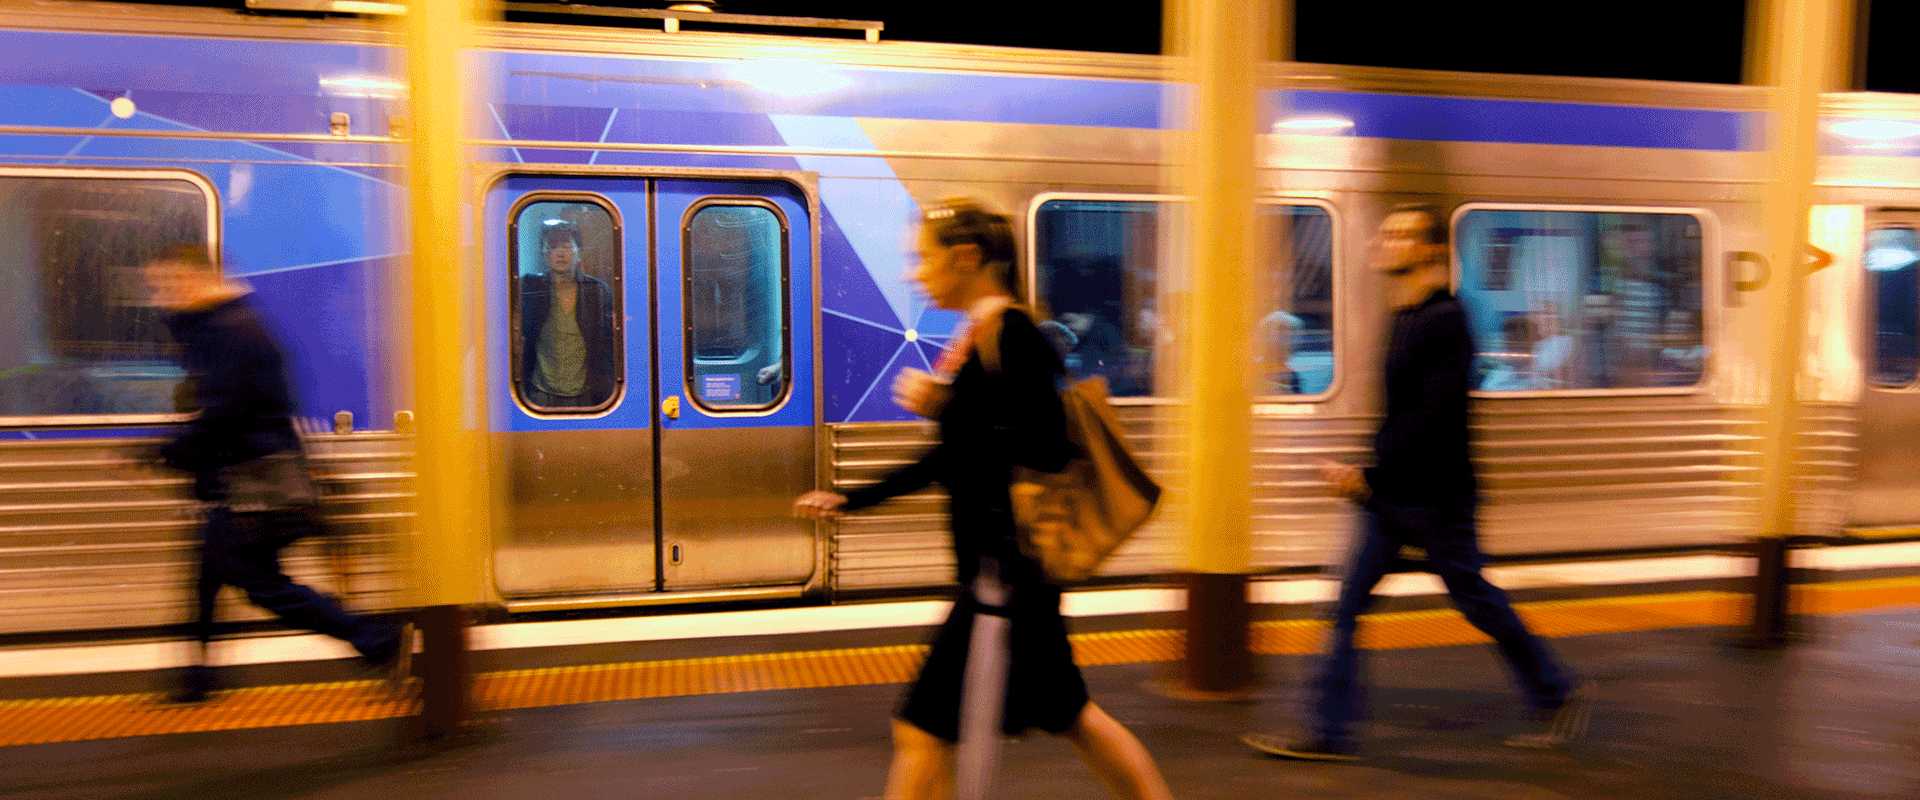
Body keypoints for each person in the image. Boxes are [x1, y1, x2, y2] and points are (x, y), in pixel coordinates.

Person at [793, 200, 1174, 800]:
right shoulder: (983, 337)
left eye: (925, 258)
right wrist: (851, 497)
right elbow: (951, 459)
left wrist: (947, 408)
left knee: (919, 728)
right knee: (1069, 715)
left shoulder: (1014, 335)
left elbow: (1046, 446)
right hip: (1007, 576)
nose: (915, 274)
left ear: (967, 258)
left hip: (1005, 579)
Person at [1242, 205, 1594, 761]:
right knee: (1347, 604)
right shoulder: (1404, 316)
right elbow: (1401, 416)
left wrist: (1367, 476)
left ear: (1429, 250)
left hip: (1438, 497)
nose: (1387, 243)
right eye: (1386, 233)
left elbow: (1433, 419)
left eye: (1402, 235)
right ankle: (1330, 732)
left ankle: (1555, 692)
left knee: (1475, 600)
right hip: (1394, 496)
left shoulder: (1446, 320)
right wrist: (1373, 478)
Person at [147, 245, 409, 703]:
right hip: (244, 479)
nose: (160, 297)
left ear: (194, 280)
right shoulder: (222, 328)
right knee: (208, 571)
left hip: (257, 484)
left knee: (261, 585)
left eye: (168, 285)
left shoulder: (236, 332)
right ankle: (198, 677)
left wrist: (170, 453)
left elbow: (225, 412)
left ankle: (378, 638)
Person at [519, 219, 617, 409]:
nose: (560, 253)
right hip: (539, 394)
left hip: (587, 393)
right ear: (544, 254)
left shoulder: (597, 291)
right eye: (553, 247)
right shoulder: (530, 288)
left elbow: (608, 345)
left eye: (567, 246)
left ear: (578, 253)